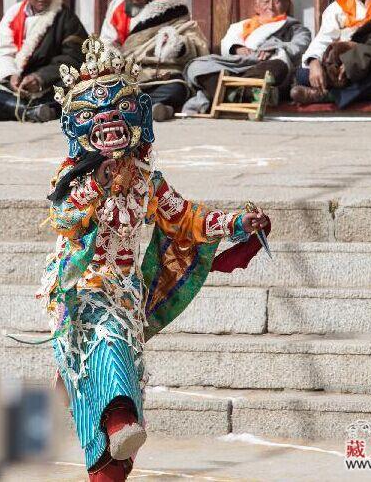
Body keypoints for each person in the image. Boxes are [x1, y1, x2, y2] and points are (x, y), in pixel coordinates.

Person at [29, 37, 269, 481]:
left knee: (123, 388)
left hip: (124, 290)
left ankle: (109, 455)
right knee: (110, 352)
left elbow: (188, 219)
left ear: (136, 114)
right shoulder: (72, 175)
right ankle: (110, 415)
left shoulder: (147, 180)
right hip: (80, 288)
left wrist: (238, 223)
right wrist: (98, 183)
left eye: (119, 108)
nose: (108, 119)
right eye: (93, 113)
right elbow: (64, 219)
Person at [100, 0, 209, 121]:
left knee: (177, 89)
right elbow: (107, 42)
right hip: (130, 74)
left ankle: (131, 109)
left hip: (164, 74)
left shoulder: (173, 6)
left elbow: (194, 39)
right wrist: (111, 60)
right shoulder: (117, 8)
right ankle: (157, 109)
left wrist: (176, 44)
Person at [182, 0, 311, 114]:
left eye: (276, 1)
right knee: (196, 66)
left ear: (286, 5)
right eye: (266, 1)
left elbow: (301, 44)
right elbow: (226, 44)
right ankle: (242, 94)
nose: (271, 6)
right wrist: (237, 48)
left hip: (263, 65)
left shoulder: (294, 27)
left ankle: (230, 92)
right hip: (236, 65)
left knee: (279, 66)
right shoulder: (242, 26)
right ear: (257, 7)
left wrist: (275, 48)